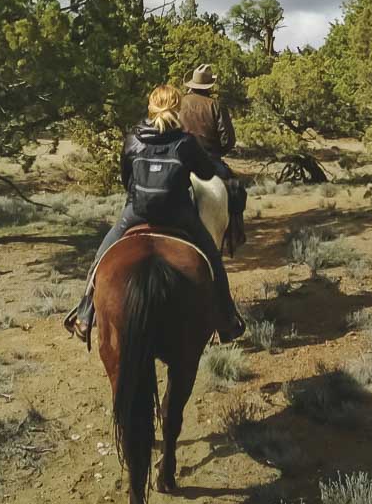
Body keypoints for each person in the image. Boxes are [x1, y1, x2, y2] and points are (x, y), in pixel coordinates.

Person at [64, 84, 245, 344]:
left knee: (102, 255)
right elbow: (205, 174)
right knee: (212, 259)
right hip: (179, 214)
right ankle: (227, 320)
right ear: (177, 108)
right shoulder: (185, 142)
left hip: (137, 212)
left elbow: (126, 180)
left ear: (151, 107)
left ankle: (84, 315)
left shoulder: (132, 139)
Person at [178, 64, 235, 179]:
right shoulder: (216, 105)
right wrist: (218, 152)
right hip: (209, 159)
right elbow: (228, 140)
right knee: (235, 190)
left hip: (180, 158)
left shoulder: (179, 102)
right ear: (209, 85)